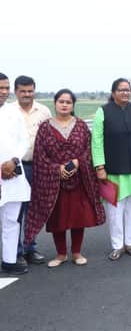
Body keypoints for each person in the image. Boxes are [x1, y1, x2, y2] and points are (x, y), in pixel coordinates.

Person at [24, 89, 106, 268]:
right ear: (55, 103)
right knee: (58, 218)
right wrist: (57, 169)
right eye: (61, 101)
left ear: (73, 105)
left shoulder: (81, 126)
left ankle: (76, 252)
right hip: (54, 182)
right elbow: (40, 155)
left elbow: (88, 150)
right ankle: (61, 254)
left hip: (79, 180)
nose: (64, 105)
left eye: (68, 102)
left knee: (78, 218)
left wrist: (77, 162)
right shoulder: (45, 127)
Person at [91, 78, 131, 261]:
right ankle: (117, 246)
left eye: (128, 89)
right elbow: (96, 141)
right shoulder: (103, 111)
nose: (125, 93)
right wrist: (99, 166)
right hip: (113, 171)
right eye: (121, 90)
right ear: (113, 92)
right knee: (115, 211)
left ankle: (130, 243)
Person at [12, 75, 51, 265]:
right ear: (16, 92)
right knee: (15, 211)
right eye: (23, 91)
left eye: (30, 91)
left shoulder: (43, 111)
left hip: (38, 167)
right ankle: (15, 251)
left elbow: (50, 137)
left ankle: (30, 248)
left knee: (34, 210)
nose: (27, 94)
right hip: (15, 168)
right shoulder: (8, 112)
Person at [0, 72, 31, 275]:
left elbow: (24, 140)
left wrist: (13, 161)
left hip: (12, 174)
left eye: (6, 88)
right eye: (0, 88)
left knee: (11, 220)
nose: (4, 92)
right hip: (3, 172)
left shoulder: (13, 112)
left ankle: (9, 260)